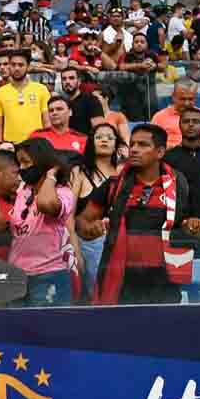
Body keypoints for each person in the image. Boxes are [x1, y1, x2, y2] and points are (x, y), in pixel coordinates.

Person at [76, 123, 200, 304]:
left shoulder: (180, 184)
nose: (134, 150)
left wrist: (193, 226)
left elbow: (197, 223)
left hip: (164, 280)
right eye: (133, 144)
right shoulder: (114, 185)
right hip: (123, 281)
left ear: (160, 152)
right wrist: (91, 229)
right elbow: (83, 221)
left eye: (143, 145)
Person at [0, 138, 76, 306]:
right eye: (19, 163)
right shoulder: (24, 190)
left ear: (42, 162)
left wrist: (51, 175)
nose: (22, 168)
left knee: (47, 329)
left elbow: (45, 204)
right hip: (18, 275)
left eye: (26, 162)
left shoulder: (63, 192)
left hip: (49, 275)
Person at [70, 122, 125, 285]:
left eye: (110, 137)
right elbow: (68, 216)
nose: (104, 140)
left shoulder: (123, 172)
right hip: (88, 243)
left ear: (116, 144)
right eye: (99, 137)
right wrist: (75, 250)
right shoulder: (79, 172)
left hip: (119, 241)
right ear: (91, 142)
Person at [0, 49, 50, 148]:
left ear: (28, 66)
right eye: (13, 65)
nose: (17, 68)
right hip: (10, 145)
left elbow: (47, 121)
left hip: (36, 145)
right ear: (9, 66)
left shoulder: (41, 90)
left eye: (21, 65)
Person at [151, 78, 200, 148]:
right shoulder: (159, 117)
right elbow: (153, 145)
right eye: (182, 99)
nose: (186, 103)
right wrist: (177, 149)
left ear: (196, 97)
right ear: (173, 96)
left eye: (190, 99)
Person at [58, 69, 104, 137]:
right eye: (64, 79)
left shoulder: (91, 100)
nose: (67, 82)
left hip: (85, 144)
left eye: (71, 78)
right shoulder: (60, 103)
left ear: (79, 81)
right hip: (65, 144)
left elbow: (99, 129)